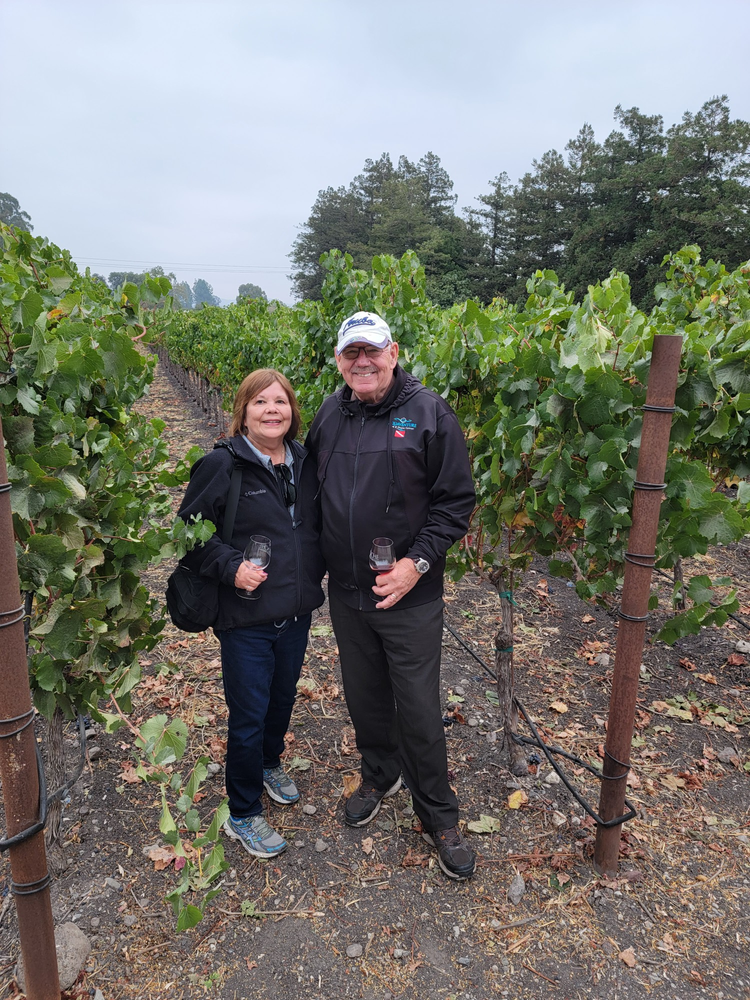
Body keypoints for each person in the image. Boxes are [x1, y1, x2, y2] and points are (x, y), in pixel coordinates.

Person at [306, 311, 477, 879]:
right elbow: (311, 497)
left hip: (410, 596)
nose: (363, 362)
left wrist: (415, 564)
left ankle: (439, 815)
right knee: (365, 697)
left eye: (372, 351)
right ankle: (380, 773)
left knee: (421, 708)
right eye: (351, 354)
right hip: (348, 595)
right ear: (338, 361)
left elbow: (455, 503)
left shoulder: (429, 413)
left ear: (393, 351)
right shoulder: (330, 414)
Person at [177, 369, 325, 858]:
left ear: (292, 411)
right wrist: (231, 566)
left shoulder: (304, 461)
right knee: (247, 715)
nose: (271, 410)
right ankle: (243, 811)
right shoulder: (224, 466)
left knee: (281, 700)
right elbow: (188, 536)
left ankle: (269, 762)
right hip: (246, 620)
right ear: (242, 411)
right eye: (260, 402)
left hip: (296, 612)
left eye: (280, 401)